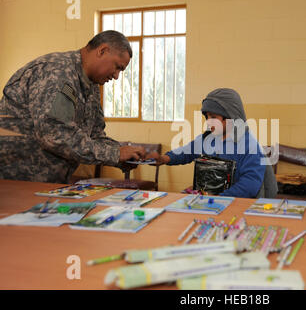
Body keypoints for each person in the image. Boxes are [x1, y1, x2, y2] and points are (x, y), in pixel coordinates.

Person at [0, 30, 146, 183]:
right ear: (102, 51)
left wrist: (131, 155)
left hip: (48, 183)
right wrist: (115, 154)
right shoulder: (58, 72)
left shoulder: (91, 86)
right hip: (16, 180)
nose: (116, 76)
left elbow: (95, 136)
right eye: (117, 67)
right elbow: (55, 135)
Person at [147, 88, 277, 198]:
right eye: (207, 117)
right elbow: (187, 151)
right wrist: (163, 158)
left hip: (237, 206)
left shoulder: (250, 147)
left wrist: (218, 199)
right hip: (211, 202)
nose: (209, 122)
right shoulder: (209, 139)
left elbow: (250, 185)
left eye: (214, 117)